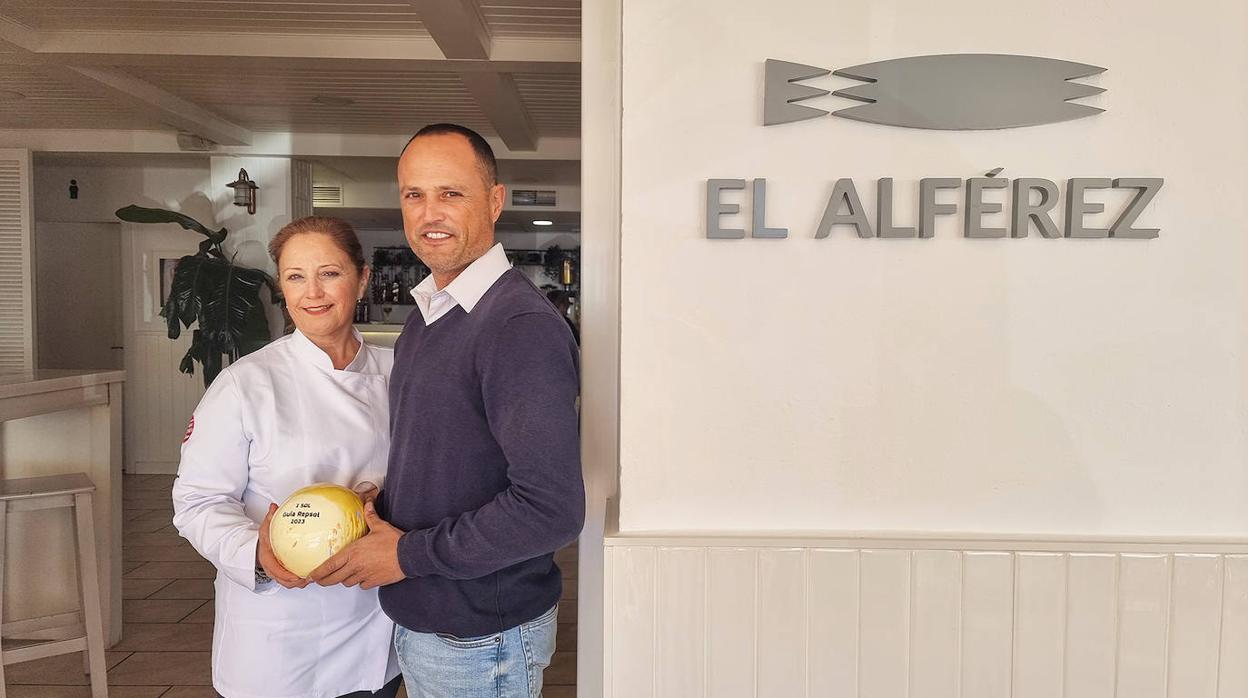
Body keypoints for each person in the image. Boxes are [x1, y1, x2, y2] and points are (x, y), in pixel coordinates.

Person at [309, 124, 585, 698]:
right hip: (435, 615)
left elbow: (551, 509)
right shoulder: (429, 317)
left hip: (482, 636)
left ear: (494, 200)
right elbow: (448, 459)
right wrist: (378, 508)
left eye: (451, 193)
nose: (429, 212)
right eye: (414, 195)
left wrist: (407, 553)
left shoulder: (517, 327)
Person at [172, 216, 402, 698]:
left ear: (362, 278)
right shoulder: (245, 384)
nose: (312, 292)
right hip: (281, 638)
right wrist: (255, 551)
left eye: (330, 273)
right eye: (295, 276)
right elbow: (196, 501)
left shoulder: (398, 372)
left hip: (376, 631)